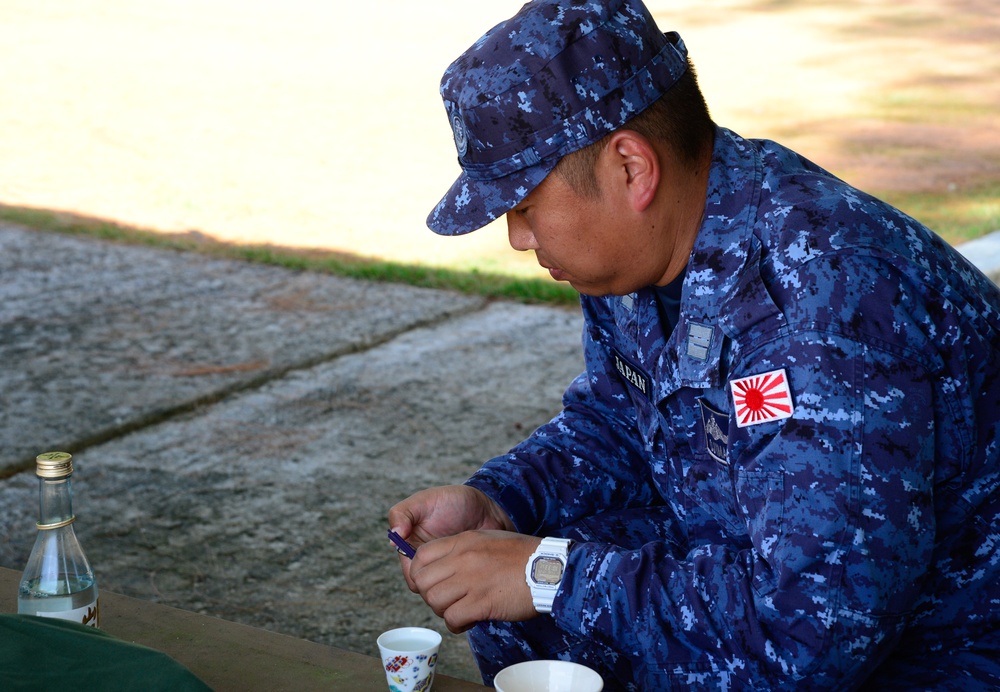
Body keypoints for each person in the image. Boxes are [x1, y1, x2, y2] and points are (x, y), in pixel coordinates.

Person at [388, 0, 1000, 688]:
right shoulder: (641, 252)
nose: (519, 240)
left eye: (525, 208)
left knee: (536, 584)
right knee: (503, 588)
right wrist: (502, 504)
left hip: (939, 646)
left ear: (630, 167)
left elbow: (813, 635)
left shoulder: (825, 299)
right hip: (771, 576)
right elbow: (623, 417)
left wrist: (545, 572)